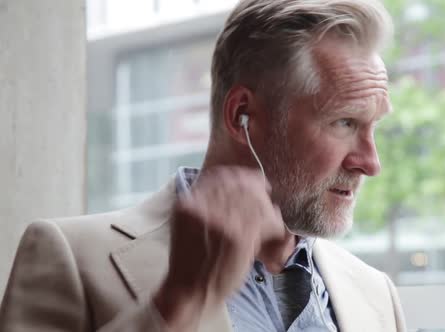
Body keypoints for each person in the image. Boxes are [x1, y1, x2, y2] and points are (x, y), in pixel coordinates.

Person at [0, 0, 406, 331]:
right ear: (242, 114)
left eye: (373, 127)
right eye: (345, 122)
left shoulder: (376, 294)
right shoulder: (70, 256)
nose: (370, 163)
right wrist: (179, 302)